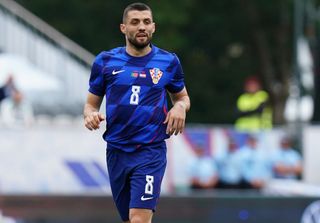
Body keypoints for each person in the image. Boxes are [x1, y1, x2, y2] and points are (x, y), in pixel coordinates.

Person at [83, 3, 190, 223]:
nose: (141, 26)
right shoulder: (105, 61)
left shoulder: (168, 62)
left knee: (139, 220)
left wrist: (179, 107)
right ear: (123, 28)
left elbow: (182, 97)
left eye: (146, 22)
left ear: (154, 27)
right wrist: (90, 115)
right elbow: (90, 105)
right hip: (116, 151)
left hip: (150, 151)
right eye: (135, 22)